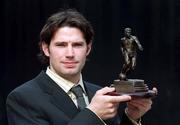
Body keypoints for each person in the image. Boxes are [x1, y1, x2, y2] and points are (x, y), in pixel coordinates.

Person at [6, 9, 154, 125]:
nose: (70, 53)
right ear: (46, 49)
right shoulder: (23, 98)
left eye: (77, 45)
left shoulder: (98, 93)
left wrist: (131, 117)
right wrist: (93, 114)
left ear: (88, 49)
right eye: (61, 45)